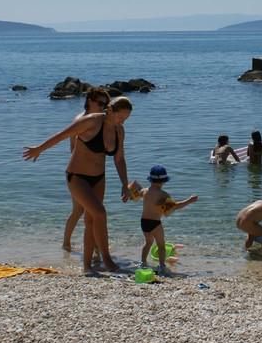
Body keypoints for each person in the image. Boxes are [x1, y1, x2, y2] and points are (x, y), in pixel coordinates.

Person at [23, 95, 133, 274]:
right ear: (110, 110)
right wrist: (39, 149)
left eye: (126, 119)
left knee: (91, 220)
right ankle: (107, 259)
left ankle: (87, 266)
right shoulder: (91, 121)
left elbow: (119, 159)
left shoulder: (119, 131)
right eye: (120, 117)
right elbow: (62, 135)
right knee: (100, 213)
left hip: (99, 178)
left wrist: (124, 183)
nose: (122, 122)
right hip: (77, 177)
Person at [62, 88, 110, 253]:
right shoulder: (80, 121)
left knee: (93, 211)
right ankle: (67, 243)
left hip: (97, 176)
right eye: (100, 103)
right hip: (79, 176)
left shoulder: (102, 121)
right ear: (90, 101)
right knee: (79, 211)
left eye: (106, 104)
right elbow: (73, 149)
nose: (103, 107)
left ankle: (95, 247)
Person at [137, 165, 198, 275]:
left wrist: (127, 192)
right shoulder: (163, 195)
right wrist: (189, 200)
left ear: (150, 179)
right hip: (155, 223)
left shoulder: (144, 191)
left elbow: (135, 193)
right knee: (161, 246)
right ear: (164, 181)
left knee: (148, 243)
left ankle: (142, 263)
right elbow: (175, 206)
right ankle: (162, 266)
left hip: (144, 222)